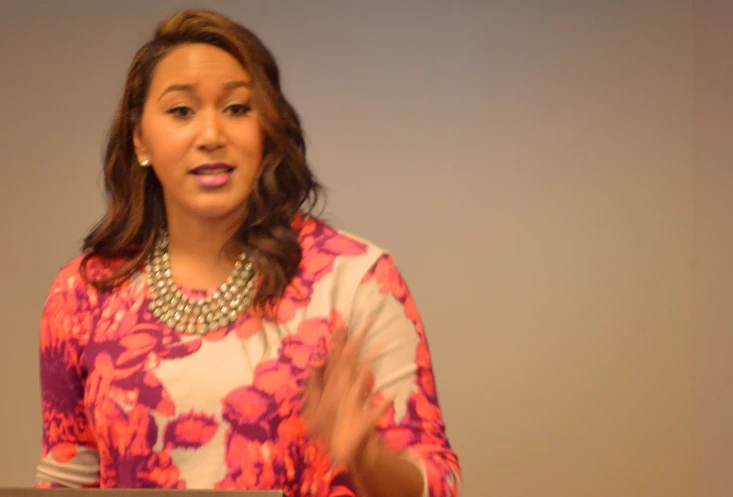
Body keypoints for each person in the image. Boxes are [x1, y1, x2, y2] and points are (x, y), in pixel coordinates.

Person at [34, 9, 461, 497]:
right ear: (140, 140)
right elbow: (66, 478)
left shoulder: (356, 279)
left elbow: (437, 484)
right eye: (181, 111)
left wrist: (367, 459)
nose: (212, 135)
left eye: (237, 108)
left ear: (267, 132)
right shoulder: (83, 293)